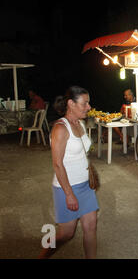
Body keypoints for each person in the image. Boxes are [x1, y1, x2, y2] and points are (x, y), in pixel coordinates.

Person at [38, 86, 99, 259]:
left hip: (85, 186)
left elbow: (82, 152)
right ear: (71, 104)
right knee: (66, 234)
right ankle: (43, 256)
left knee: (91, 226)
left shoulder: (79, 123)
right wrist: (69, 194)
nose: (88, 107)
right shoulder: (60, 128)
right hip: (67, 188)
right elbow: (57, 164)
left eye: (88, 102)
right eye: (85, 103)